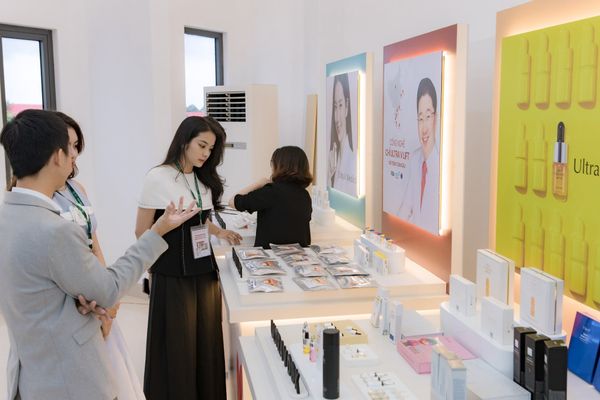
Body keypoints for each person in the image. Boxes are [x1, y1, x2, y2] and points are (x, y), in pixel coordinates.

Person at [0, 109, 198, 400]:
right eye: (70, 149)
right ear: (57, 156)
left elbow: (37, 290)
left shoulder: (8, 217)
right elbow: (107, 290)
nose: (74, 157)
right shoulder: (55, 231)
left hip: (31, 376)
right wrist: (157, 231)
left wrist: (87, 299)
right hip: (69, 380)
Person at [136, 116, 241, 400]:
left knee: (206, 343)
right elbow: (141, 231)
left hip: (204, 271)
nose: (206, 153)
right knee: (178, 346)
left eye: (211, 148)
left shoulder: (201, 178)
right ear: (184, 141)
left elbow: (200, 220)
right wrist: (151, 266)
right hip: (172, 274)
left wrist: (220, 231)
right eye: (202, 145)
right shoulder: (157, 177)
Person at [51, 111, 145, 400]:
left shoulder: (77, 188)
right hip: (74, 300)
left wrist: (109, 295)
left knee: (113, 374)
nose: (74, 153)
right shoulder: (41, 199)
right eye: (68, 145)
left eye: (76, 145)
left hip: (96, 288)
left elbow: (95, 243)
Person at [229, 145, 312, 249]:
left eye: (272, 163)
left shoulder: (271, 191)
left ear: (279, 165)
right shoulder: (305, 195)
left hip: (270, 256)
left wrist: (259, 183)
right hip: (300, 255)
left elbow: (232, 202)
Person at [397, 77, 440, 234]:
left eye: (428, 117)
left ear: (436, 118)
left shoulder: (442, 167)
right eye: (420, 119)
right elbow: (406, 206)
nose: (424, 128)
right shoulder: (415, 160)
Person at [328, 72, 356, 195]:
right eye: (335, 107)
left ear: (347, 107)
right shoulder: (335, 157)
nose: (337, 118)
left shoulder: (352, 159)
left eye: (340, 105)